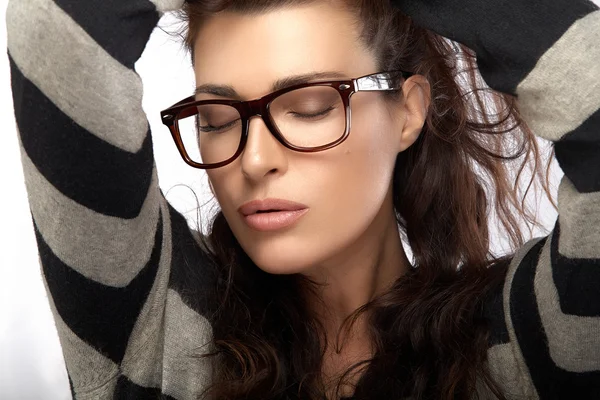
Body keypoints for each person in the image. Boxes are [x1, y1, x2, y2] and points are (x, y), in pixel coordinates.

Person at [6, 0, 600, 398]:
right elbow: (56, 27)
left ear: (408, 113)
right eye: (216, 119)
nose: (255, 158)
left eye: (311, 106)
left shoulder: (523, 344)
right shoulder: (160, 332)